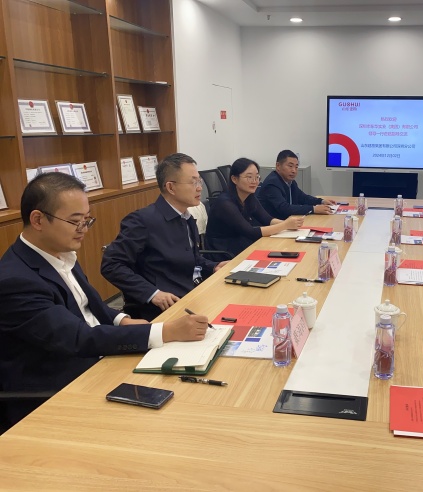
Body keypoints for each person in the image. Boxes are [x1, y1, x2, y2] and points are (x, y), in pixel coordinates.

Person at [0, 173, 209, 427]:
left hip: (97, 361)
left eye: (87, 220)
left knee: (187, 389)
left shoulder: (59, 252)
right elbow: (78, 337)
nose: (84, 229)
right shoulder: (15, 281)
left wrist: (120, 320)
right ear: (38, 219)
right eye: (75, 221)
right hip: (58, 388)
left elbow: (90, 306)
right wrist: (165, 331)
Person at [101, 153, 224, 321]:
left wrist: (214, 266)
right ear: (171, 187)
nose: (199, 188)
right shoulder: (143, 221)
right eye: (193, 182)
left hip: (190, 296)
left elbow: (193, 259)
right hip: (161, 310)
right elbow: (111, 264)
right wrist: (153, 294)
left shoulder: (186, 217)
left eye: (199, 181)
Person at [205, 157, 304, 257]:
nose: (254, 181)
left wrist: (290, 224)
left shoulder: (249, 197)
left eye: (257, 177)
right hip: (224, 253)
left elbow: (267, 219)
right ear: (234, 179)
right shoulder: (225, 204)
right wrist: (285, 225)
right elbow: (250, 232)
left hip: (241, 246)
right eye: (249, 177)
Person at [259, 149, 336, 219]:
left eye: (296, 167)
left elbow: (303, 198)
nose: (294, 171)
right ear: (278, 166)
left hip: (288, 222)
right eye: (290, 166)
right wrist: (313, 209)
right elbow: (284, 208)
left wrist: (321, 201)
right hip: (272, 226)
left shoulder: (290, 181)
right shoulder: (272, 184)